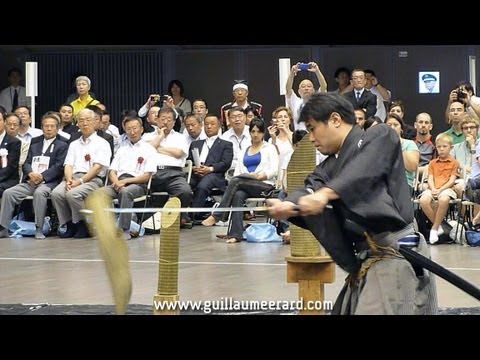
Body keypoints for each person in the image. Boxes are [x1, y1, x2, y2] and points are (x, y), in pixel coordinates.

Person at [267, 92, 437, 315]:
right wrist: (288, 205)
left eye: (312, 128)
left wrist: (325, 194)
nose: (310, 138)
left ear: (335, 120)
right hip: (368, 260)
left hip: (396, 253)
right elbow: (310, 187)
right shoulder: (329, 167)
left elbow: (362, 170)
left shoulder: (380, 135)